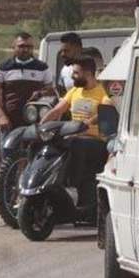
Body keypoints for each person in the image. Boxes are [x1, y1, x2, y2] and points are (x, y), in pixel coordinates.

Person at [41, 56, 111, 214]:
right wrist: (41, 125)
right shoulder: (74, 91)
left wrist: (88, 122)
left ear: (88, 73)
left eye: (76, 73)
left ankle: (72, 185)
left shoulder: (102, 93)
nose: (72, 76)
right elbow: (57, 110)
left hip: (94, 142)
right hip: (73, 138)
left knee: (74, 144)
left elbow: (105, 112)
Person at [0, 32, 55, 139]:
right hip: (10, 122)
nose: (25, 50)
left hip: (35, 122)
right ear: (13, 46)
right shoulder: (3, 68)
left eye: (29, 47)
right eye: (21, 46)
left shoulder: (42, 68)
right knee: (8, 149)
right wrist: (2, 116)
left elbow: (50, 90)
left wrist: (40, 93)